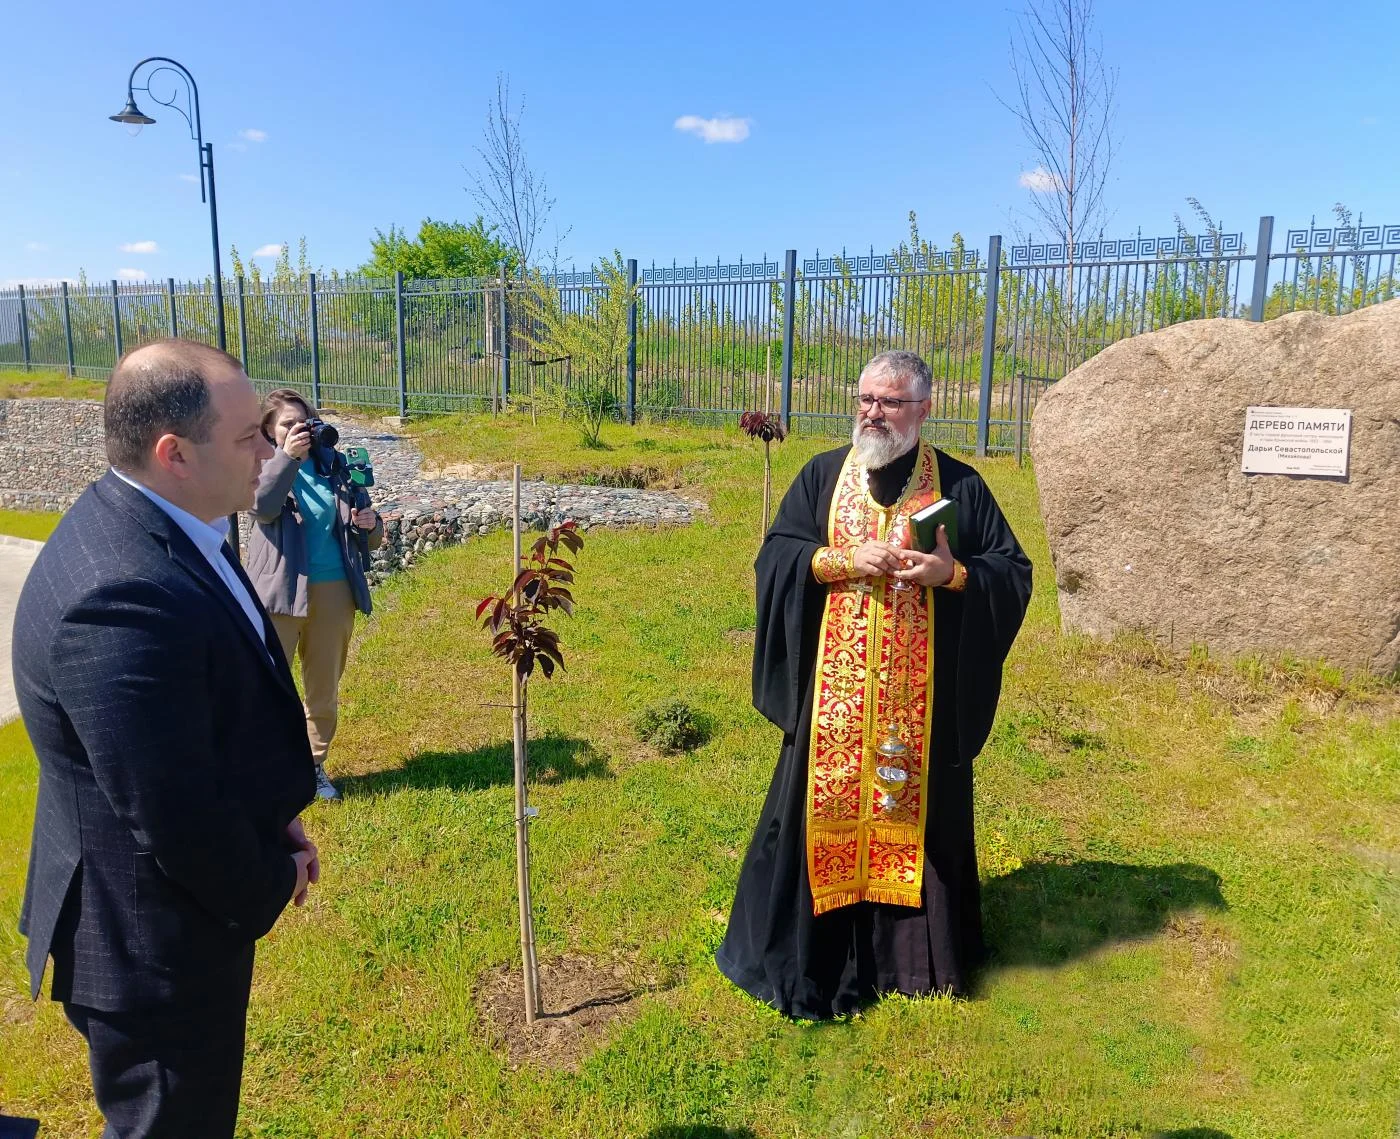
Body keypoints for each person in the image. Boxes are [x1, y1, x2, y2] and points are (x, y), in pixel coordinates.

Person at [13, 340, 320, 1138]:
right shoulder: (117, 591)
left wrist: (270, 811)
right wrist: (269, 875)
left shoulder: (171, 522)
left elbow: (187, 726)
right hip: (150, 948)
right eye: (248, 434)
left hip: (164, 914)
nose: (267, 450)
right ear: (173, 453)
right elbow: (173, 811)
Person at [716, 349, 1032, 1019]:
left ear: (923, 408)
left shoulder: (961, 487)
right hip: (832, 707)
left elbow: (1012, 570)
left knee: (918, 818)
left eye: (889, 402)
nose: (872, 412)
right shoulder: (824, 476)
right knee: (814, 816)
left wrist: (951, 575)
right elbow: (776, 555)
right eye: (865, 398)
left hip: (919, 710)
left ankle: (913, 962)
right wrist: (837, 559)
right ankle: (817, 957)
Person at [248, 389, 383, 800]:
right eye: (288, 424)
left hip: (334, 591)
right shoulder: (259, 466)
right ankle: (264, 771)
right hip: (279, 592)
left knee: (322, 688)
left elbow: (372, 539)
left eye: (303, 421)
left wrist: (370, 524)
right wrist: (286, 459)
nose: (299, 430)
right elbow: (262, 508)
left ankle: (312, 767)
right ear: (269, 431)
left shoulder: (335, 467)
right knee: (267, 686)